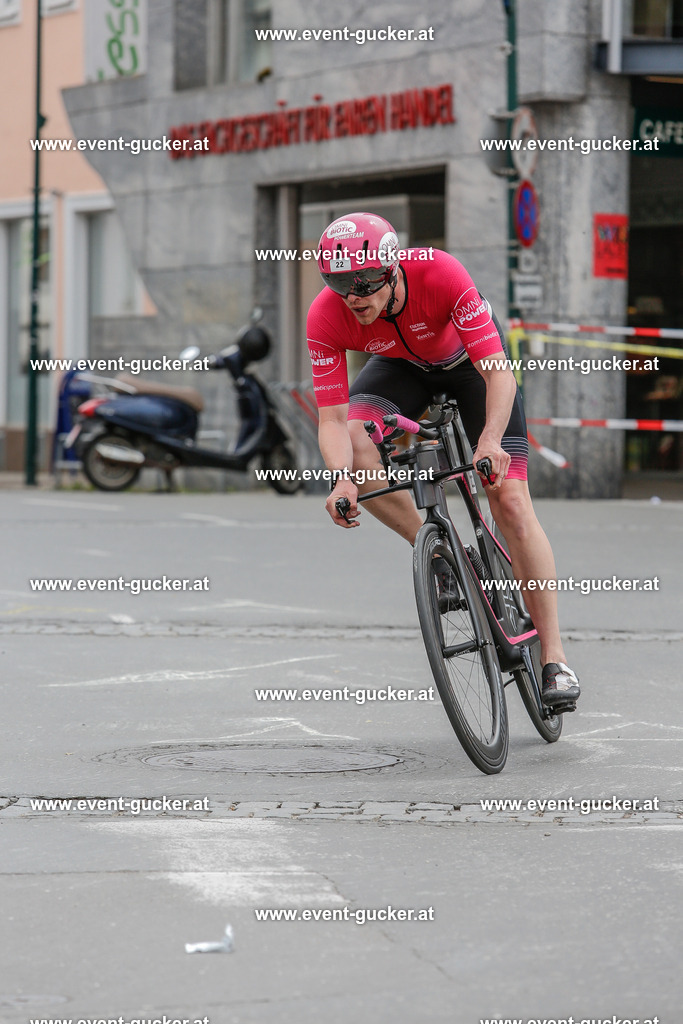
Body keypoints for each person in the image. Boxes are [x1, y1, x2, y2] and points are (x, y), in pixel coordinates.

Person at [306, 211, 580, 709]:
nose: (354, 296)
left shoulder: (440, 273)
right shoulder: (326, 314)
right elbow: (329, 419)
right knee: (355, 436)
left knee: (511, 500)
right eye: (339, 282)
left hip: (471, 367)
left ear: (390, 268)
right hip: (401, 368)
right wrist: (342, 480)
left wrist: (490, 442)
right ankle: (441, 554)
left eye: (365, 281)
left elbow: (499, 375)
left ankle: (554, 659)